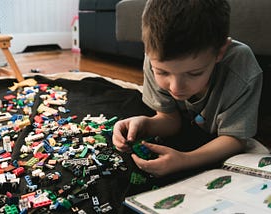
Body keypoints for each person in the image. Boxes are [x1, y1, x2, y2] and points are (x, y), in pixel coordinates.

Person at [112, 0, 263, 177]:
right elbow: (170, 120)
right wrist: (145, 125)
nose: (176, 88)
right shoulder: (154, 56)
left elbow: (236, 139)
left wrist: (185, 160)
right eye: (162, 72)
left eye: (194, 73)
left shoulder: (241, 68)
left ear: (220, 52)